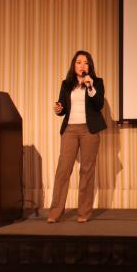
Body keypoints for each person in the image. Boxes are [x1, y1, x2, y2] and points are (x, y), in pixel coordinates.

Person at [47, 50, 107, 223]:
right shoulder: (66, 84)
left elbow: (99, 104)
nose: (82, 65)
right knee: (63, 170)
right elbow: (62, 107)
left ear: (90, 66)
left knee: (87, 171)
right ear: (74, 65)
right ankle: (55, 212)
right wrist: (59, 109)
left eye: (86, 62)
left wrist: (90, 86)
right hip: (70, 130)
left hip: (89, 130)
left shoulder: (97, 82)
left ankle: (84, 213)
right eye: (79, 62)